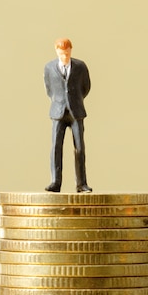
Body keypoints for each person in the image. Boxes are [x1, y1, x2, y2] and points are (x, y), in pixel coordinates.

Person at [44, 37, 92, 193]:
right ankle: (55, 182)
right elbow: (49, 89)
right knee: (56, 147)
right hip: (58, 111)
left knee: (79, 148)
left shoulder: (80, 66)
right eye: (61, 53)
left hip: (76, 111)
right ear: (56, 51)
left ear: (71, 50)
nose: (64, 56)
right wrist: (59, 101)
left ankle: (82, 183)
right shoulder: (49, 67)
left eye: (66, 53)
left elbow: (86, 87)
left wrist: (75, 100)